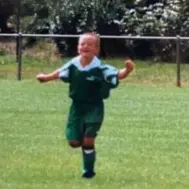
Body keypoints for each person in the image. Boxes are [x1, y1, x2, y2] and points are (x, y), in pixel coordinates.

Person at [36, 32, 134, 179]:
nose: (85, 47)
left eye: (89, 44)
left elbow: (117, 75)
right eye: (82, 44)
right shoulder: (73, 64)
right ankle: (83, 142)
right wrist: (46, 78)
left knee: (88, 140)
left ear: (96, 49)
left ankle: (88, 170)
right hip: (76, 107)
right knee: (74, 142)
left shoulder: (100, 67)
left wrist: (127, 70)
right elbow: (60, 72)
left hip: (94, 107)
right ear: (78, 47)